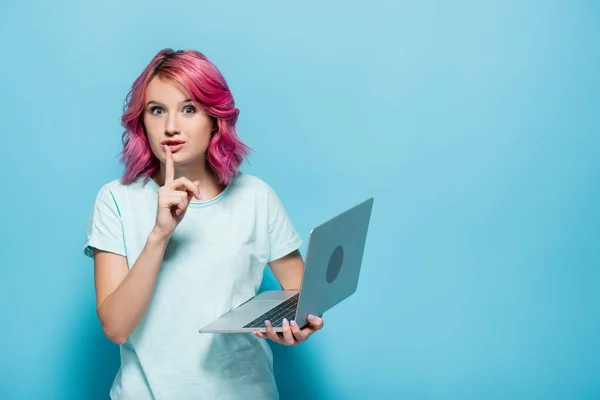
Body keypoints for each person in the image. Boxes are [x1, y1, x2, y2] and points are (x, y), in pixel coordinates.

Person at [83, 48, 324, 400]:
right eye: (157, 110)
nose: (170, 127)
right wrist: (159, 234)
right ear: (142, 120)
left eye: (189, 109)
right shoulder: (116, 200)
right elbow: (116, 328)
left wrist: (299, 326)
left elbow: (304, 297)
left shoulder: (256, 197)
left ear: (214, 118)